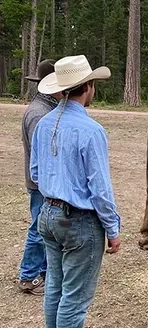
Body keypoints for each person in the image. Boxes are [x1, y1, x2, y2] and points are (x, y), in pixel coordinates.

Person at [30, 55, 121, 327]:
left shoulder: (44, 123)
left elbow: (35, 173)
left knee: (55, 289)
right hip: (79, 221)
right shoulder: (91, 130)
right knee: (74, 300)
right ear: (89, 86)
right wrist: (113, 230)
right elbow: (100, 189)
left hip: (48, 214)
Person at [19, 59, 63, 295]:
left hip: (40, 182)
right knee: (38, 229)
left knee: (43, 228)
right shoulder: (39, 114)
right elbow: (43, 155)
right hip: (40, 183)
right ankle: (28, 276)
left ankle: (42, 271)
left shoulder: (43, 108)